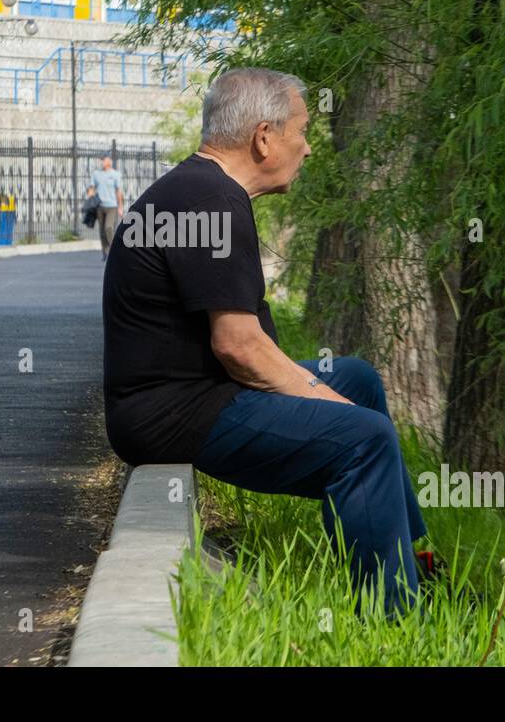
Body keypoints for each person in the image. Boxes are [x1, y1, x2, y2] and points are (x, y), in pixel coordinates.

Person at [101, 67, 428, 618]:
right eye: (301, 132)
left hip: (193, 394)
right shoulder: (211, 201)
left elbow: (242, 346)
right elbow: (238, 347)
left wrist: (327, 392)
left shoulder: (200, 188)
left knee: (357, 379)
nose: (306, 149)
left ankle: (412, 563)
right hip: (172, 413)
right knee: (365, 438)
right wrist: (325, 404)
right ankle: (396, 615)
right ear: (263, 136)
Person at [86, 155, 124, 261]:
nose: (102, 162)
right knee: (102, 231)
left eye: (104, 160)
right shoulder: (96, 174)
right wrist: (90, 198)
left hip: (112, 206)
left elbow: (119, 191)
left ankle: (114, 250)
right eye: (101, 160)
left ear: (109, 161)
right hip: (100, 206)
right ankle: (105, 251)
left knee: (108, 227)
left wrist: (120, 207)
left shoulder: (115, 174)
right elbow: (92, 188)